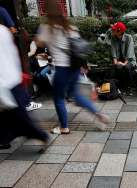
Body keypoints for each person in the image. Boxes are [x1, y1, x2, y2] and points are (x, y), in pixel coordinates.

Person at [36, 0, 109, 134]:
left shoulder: (46, 28)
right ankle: (99, 115)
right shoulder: (70, 27)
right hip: (74, 67)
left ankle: (64, 127)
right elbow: (79, 48)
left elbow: (39, 43)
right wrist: (84, 65)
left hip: (62, 68)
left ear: (47, 12)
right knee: (75, 94)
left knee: (58, 98)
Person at [0, 17, 49, 150]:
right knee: (8, 116)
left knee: (19, 117)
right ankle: (4, 139)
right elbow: (13, 55)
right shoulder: (4, 31)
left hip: (5, 82)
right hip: (12, 78)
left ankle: (42, 136)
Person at [110, 22, 137, 96]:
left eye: (114, 30)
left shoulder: (129, 37)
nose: (112, 31)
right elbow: (113, 51)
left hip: (129, 60)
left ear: (120, 31)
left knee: (127, 67)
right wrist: (115, 62)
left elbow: (130, 52)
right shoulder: (113, 38)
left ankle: (129, 87)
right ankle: (119, 87)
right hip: (119, 60)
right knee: (116, 68)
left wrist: (124, 63)